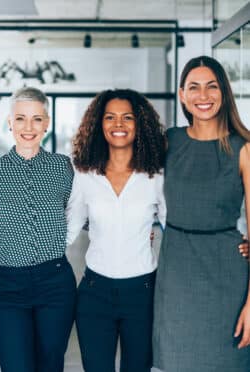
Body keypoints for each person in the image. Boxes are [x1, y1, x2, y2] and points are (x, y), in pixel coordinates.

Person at [153, 55, 250, 371]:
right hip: (176, 274)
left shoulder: (243, 148)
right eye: (193, 87)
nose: (203, 96)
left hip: (227, 275)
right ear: (182, 94)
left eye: (212, 86)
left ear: (224, 91)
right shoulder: (170, 141)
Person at [67, 89, 166, 372]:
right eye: (110, 117)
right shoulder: (84, 174)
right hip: (95, 293)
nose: (118, 124)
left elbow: (175, 226)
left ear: (140, 124)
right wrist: (19, 253)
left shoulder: (155, 175)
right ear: (99, 124)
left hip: (143, 293)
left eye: (127, 118)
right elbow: (69, 229)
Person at [0, 87, 76, 371]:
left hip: (55, 283)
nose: (28, 127)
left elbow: (81, 212)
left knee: (50, 365)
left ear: (47, 123)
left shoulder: (62, 167)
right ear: (10, 122)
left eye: (36, 119)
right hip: (7, 286)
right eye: (20, 119)